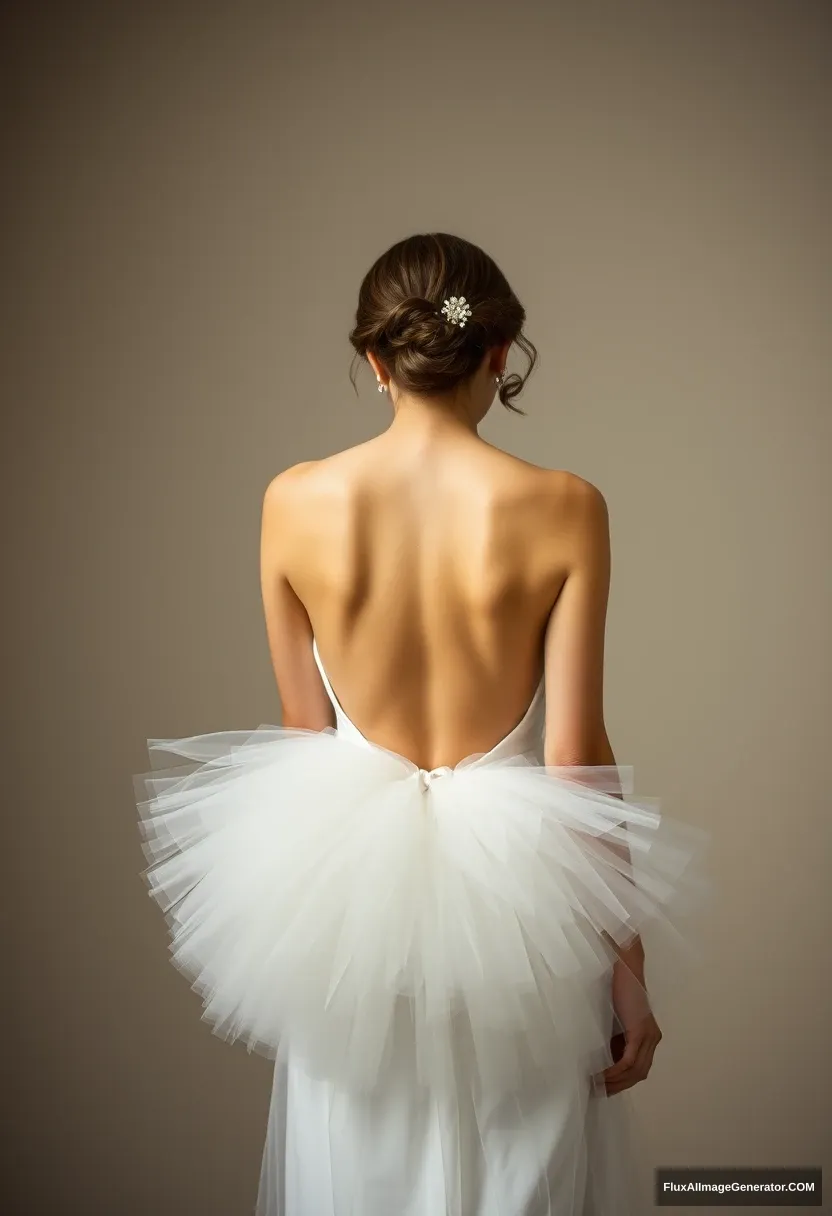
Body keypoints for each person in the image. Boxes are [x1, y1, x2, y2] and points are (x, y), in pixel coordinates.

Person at [135, 233, 707, 1215]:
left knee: (351, 1172)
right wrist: (629, 971)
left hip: (348, 919)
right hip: (527, 913)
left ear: (375, 359)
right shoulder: (564, 507)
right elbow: (573, 758)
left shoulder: (294, 502)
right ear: (497, 352)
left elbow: (303, 738)